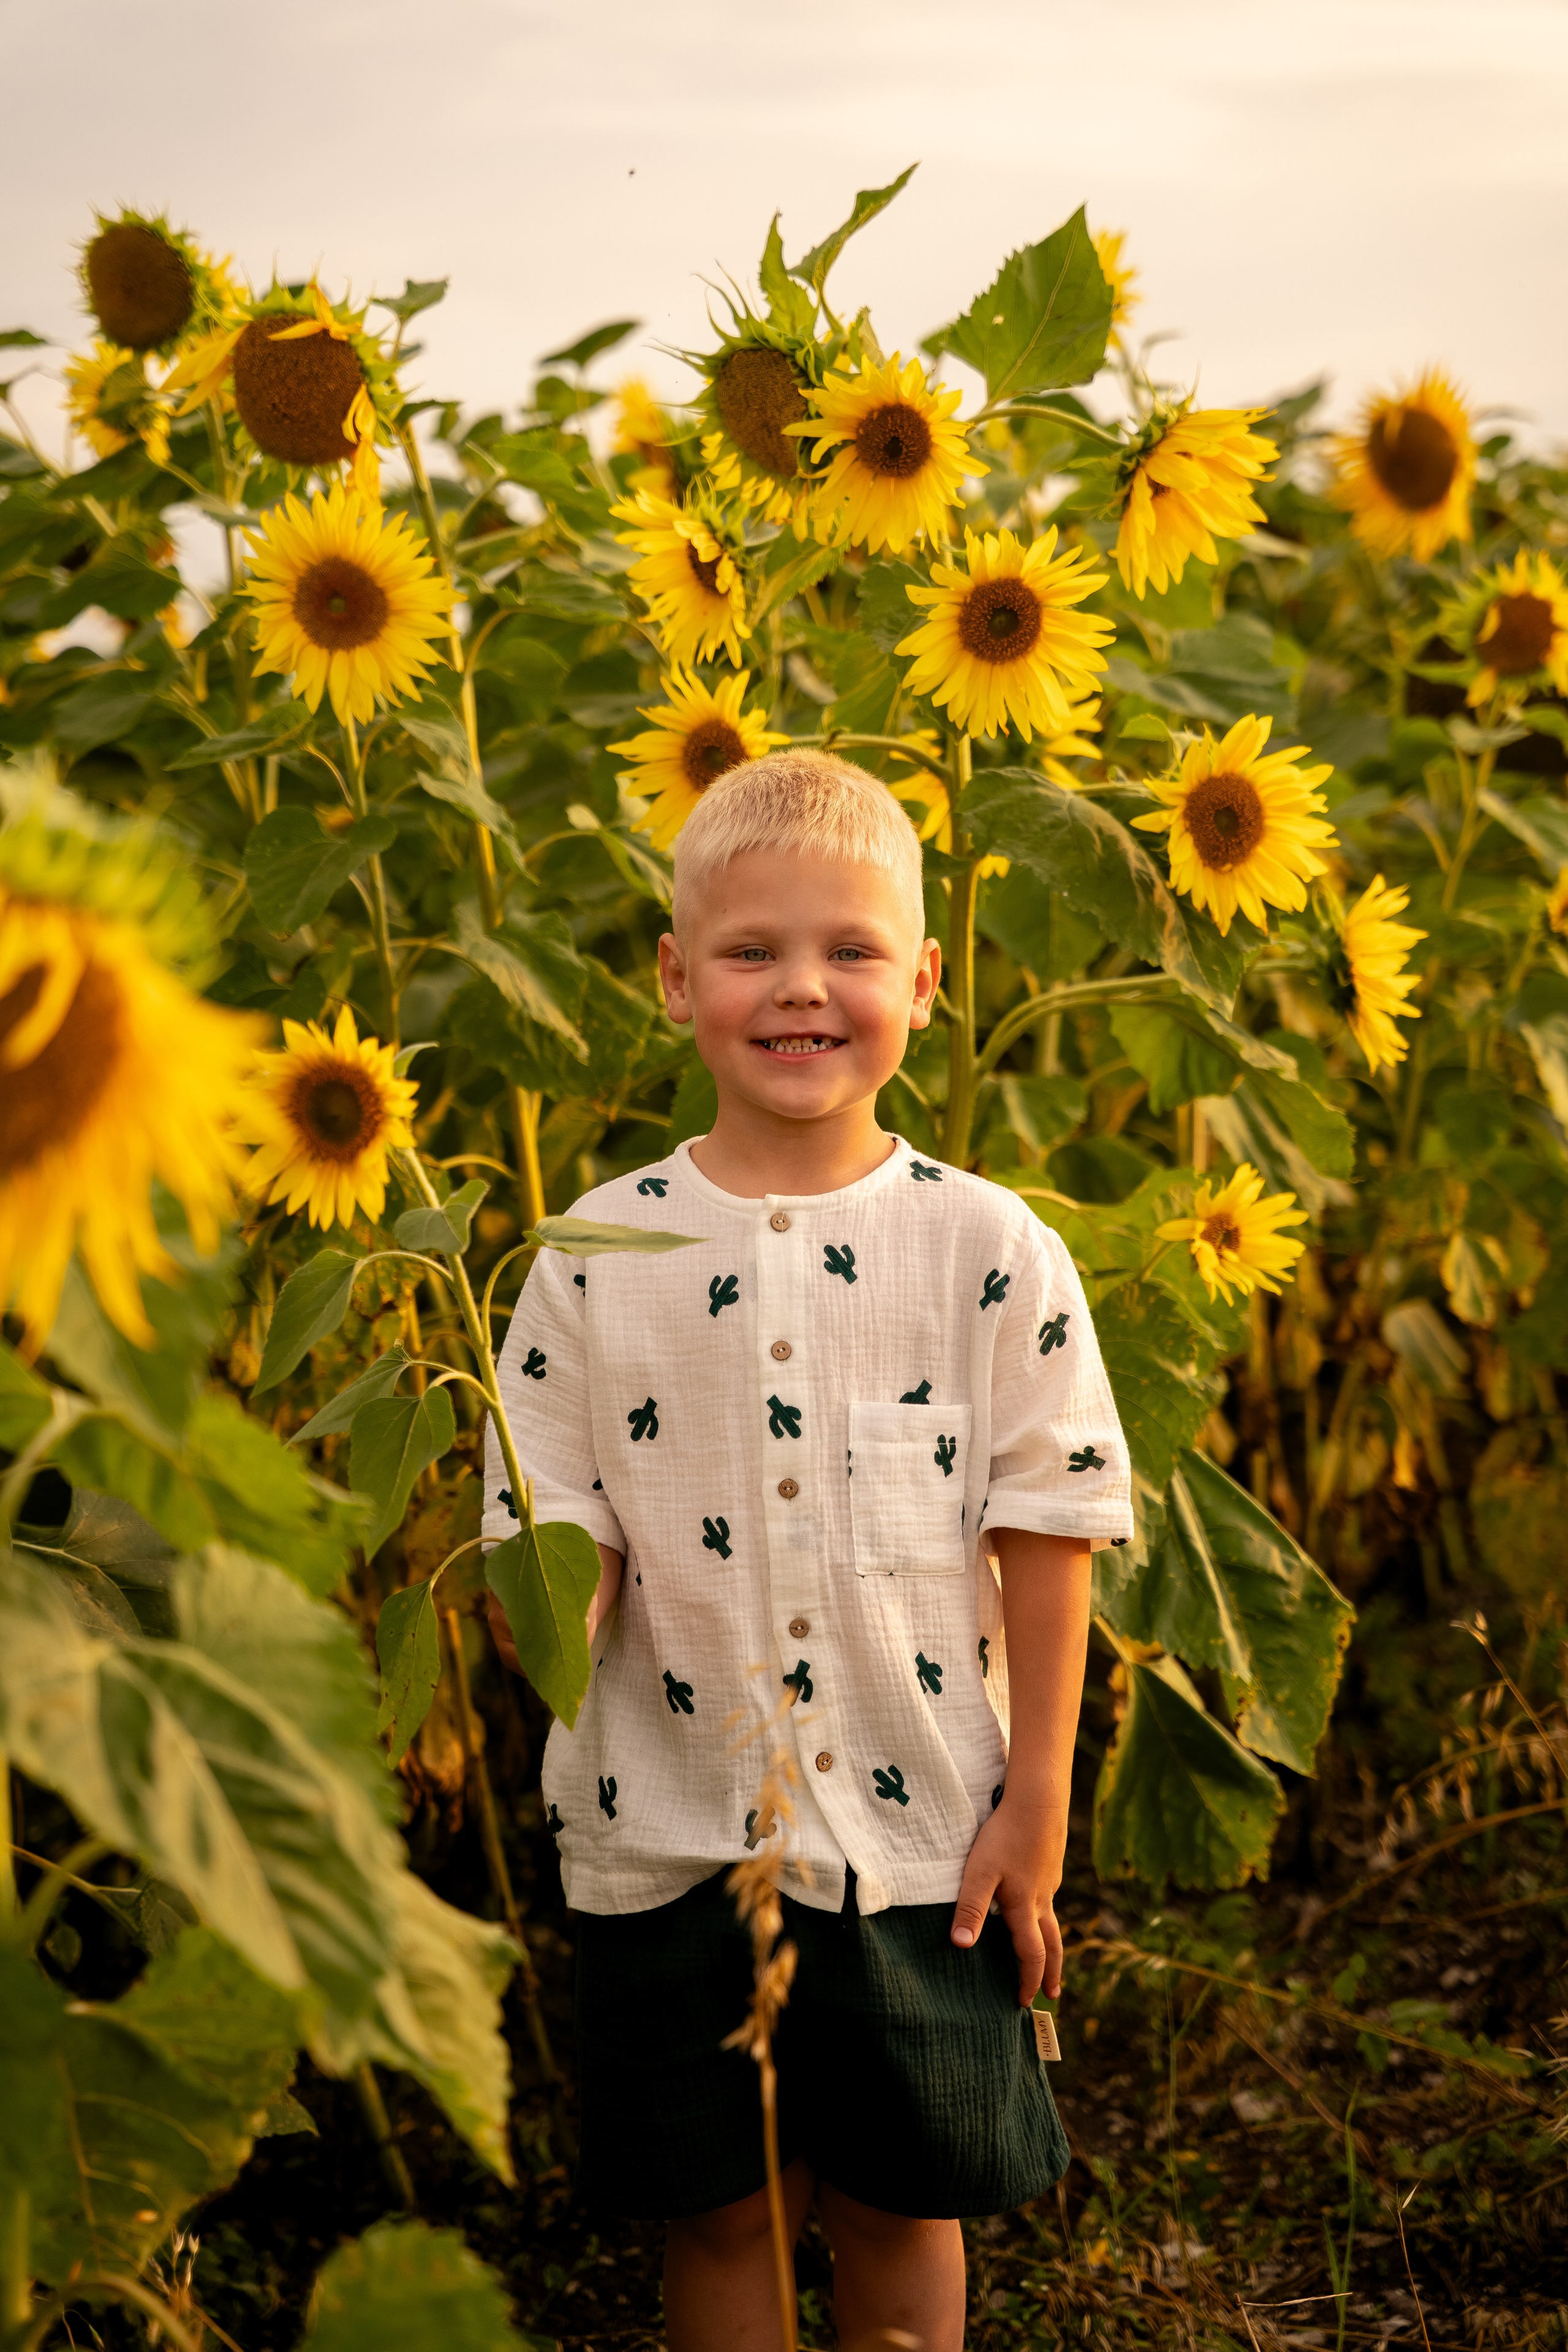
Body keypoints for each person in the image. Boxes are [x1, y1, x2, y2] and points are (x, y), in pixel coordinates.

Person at [485, 748, 1131, 2352]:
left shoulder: (988, 1248)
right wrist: (563, 1599)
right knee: (723, 2217)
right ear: (674, 979)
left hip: (925, 1835)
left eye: (850, 952)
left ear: (926, 979)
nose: (803, 990)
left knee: (902, 2210)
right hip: (668, 1830)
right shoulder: (590, 1259)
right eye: (753, 952)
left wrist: (1038, 1807)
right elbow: (545, 1537)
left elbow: (1053, 1525)